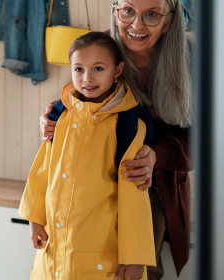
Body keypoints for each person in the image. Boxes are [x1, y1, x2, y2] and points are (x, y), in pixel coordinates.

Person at [39, 0, 192, 279]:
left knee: (139, 266)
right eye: (128, 11)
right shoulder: (100, 49)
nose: (136, 24)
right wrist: (53, 116)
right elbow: (74, 99)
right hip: (93, 182)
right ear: (115, 10)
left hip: (147, 183)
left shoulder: (193, 60)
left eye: (152, 15)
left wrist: (155, 155)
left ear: (169, 20)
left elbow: (211, 140)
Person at [19, 31, 156, 280]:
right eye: (78, 69)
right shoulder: (60, 115)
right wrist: (34, 218)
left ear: (117, 70)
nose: (87, 78)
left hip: (101, 258)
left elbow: (135, 196)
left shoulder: (127, 125)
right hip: (53, 254)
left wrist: (136, 258)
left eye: (98, 68)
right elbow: (43, 170)